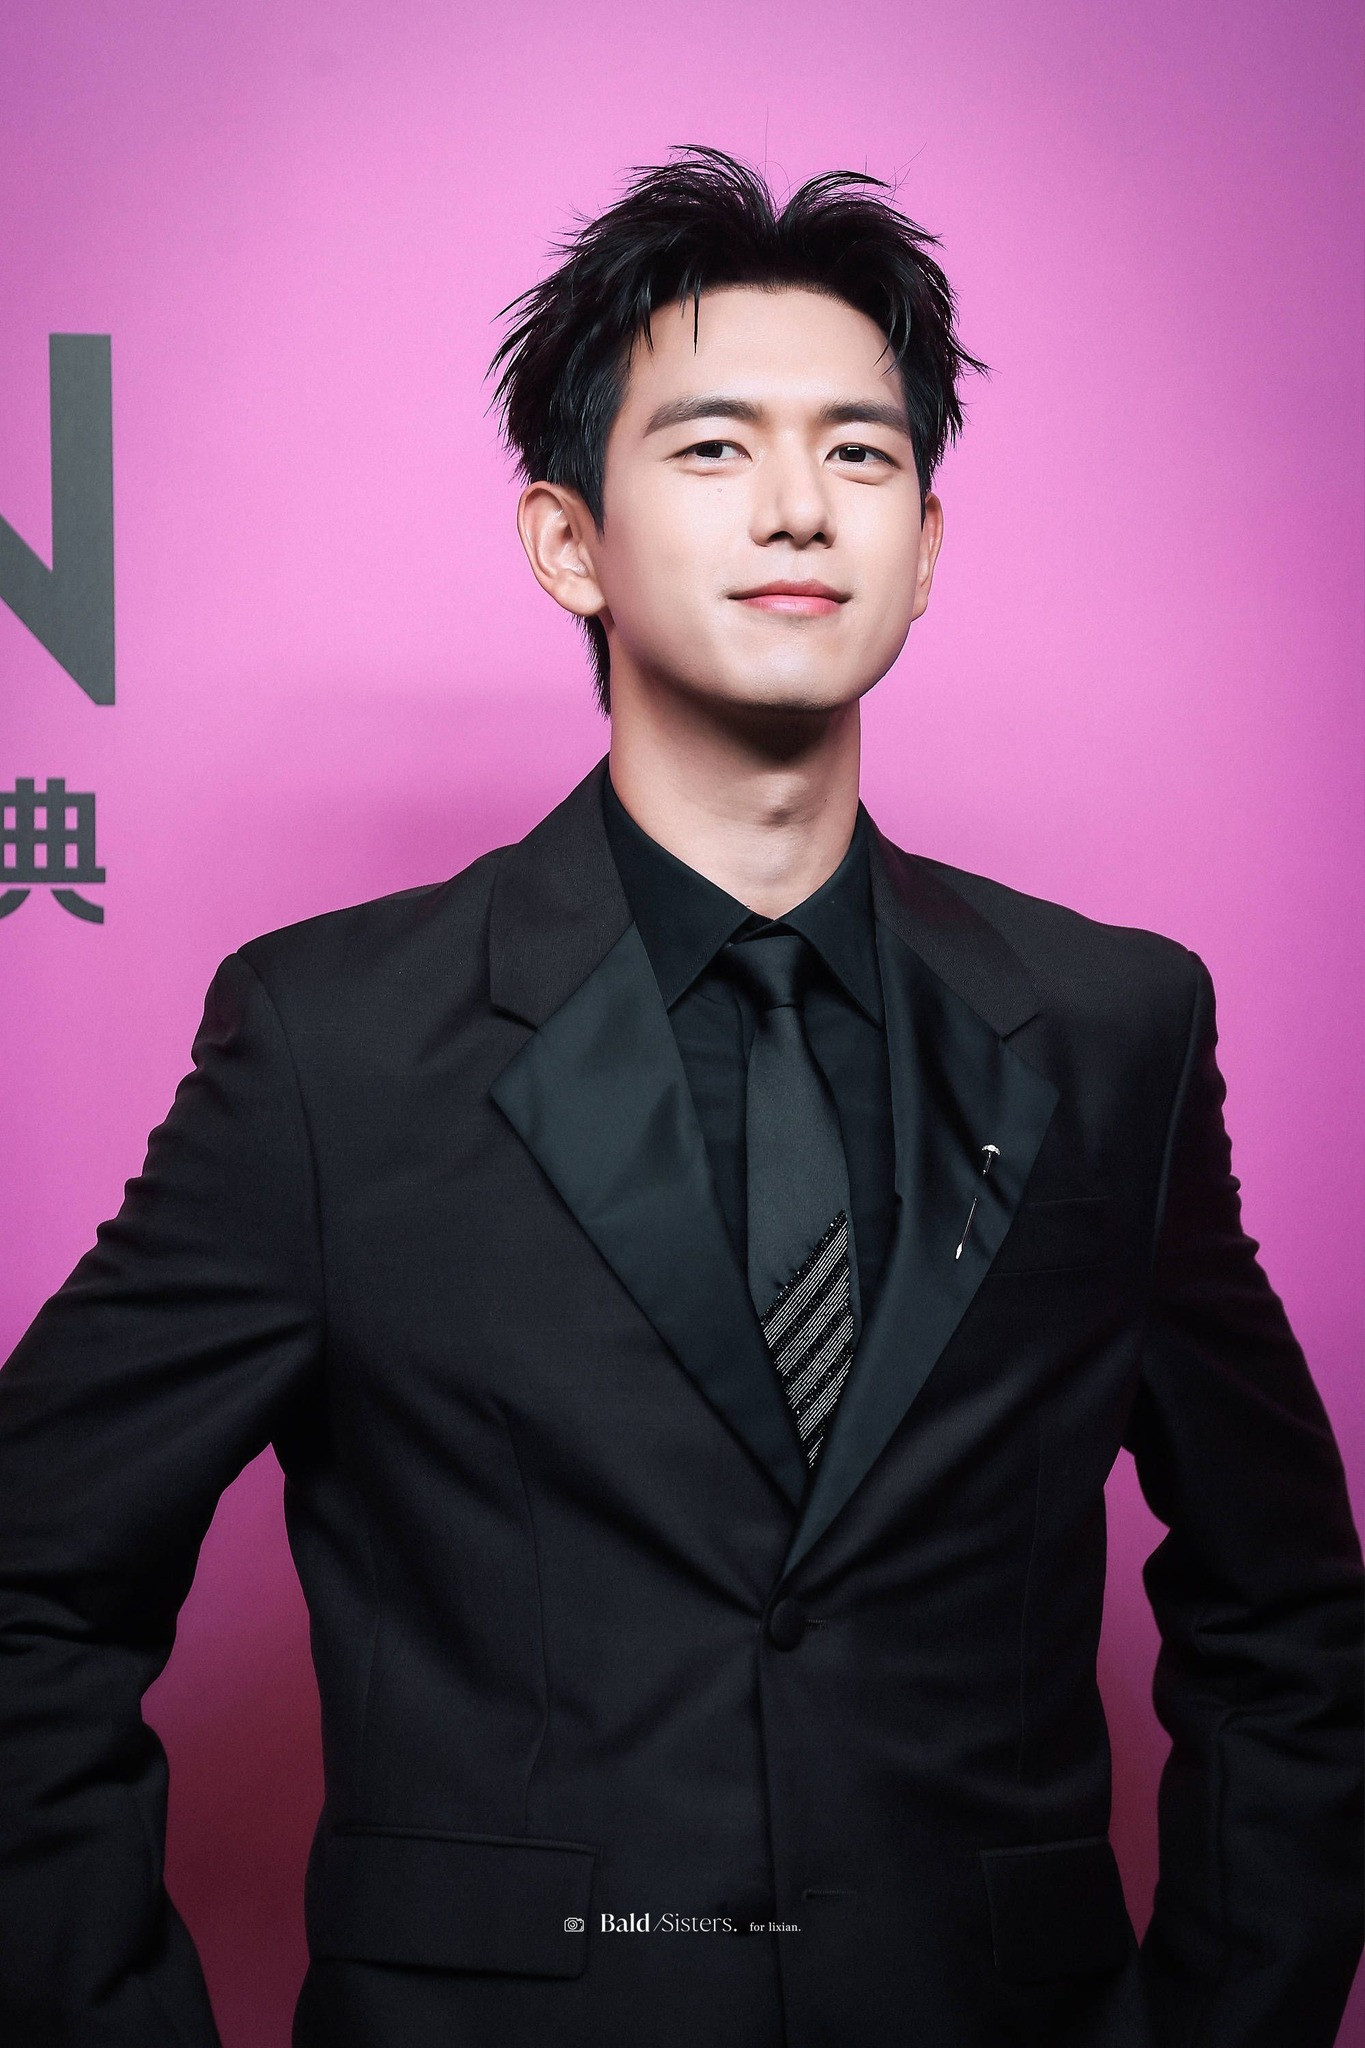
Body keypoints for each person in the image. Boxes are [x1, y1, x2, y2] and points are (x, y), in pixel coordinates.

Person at [0, 147, 1359, 2048]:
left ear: (926, 544)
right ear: (568, 541)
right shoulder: (333, 1046)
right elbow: (30, 1586)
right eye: (713, 447)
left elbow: (1286, 1615)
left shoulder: (1112, 1027)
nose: (799, 504)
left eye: (859, 453)